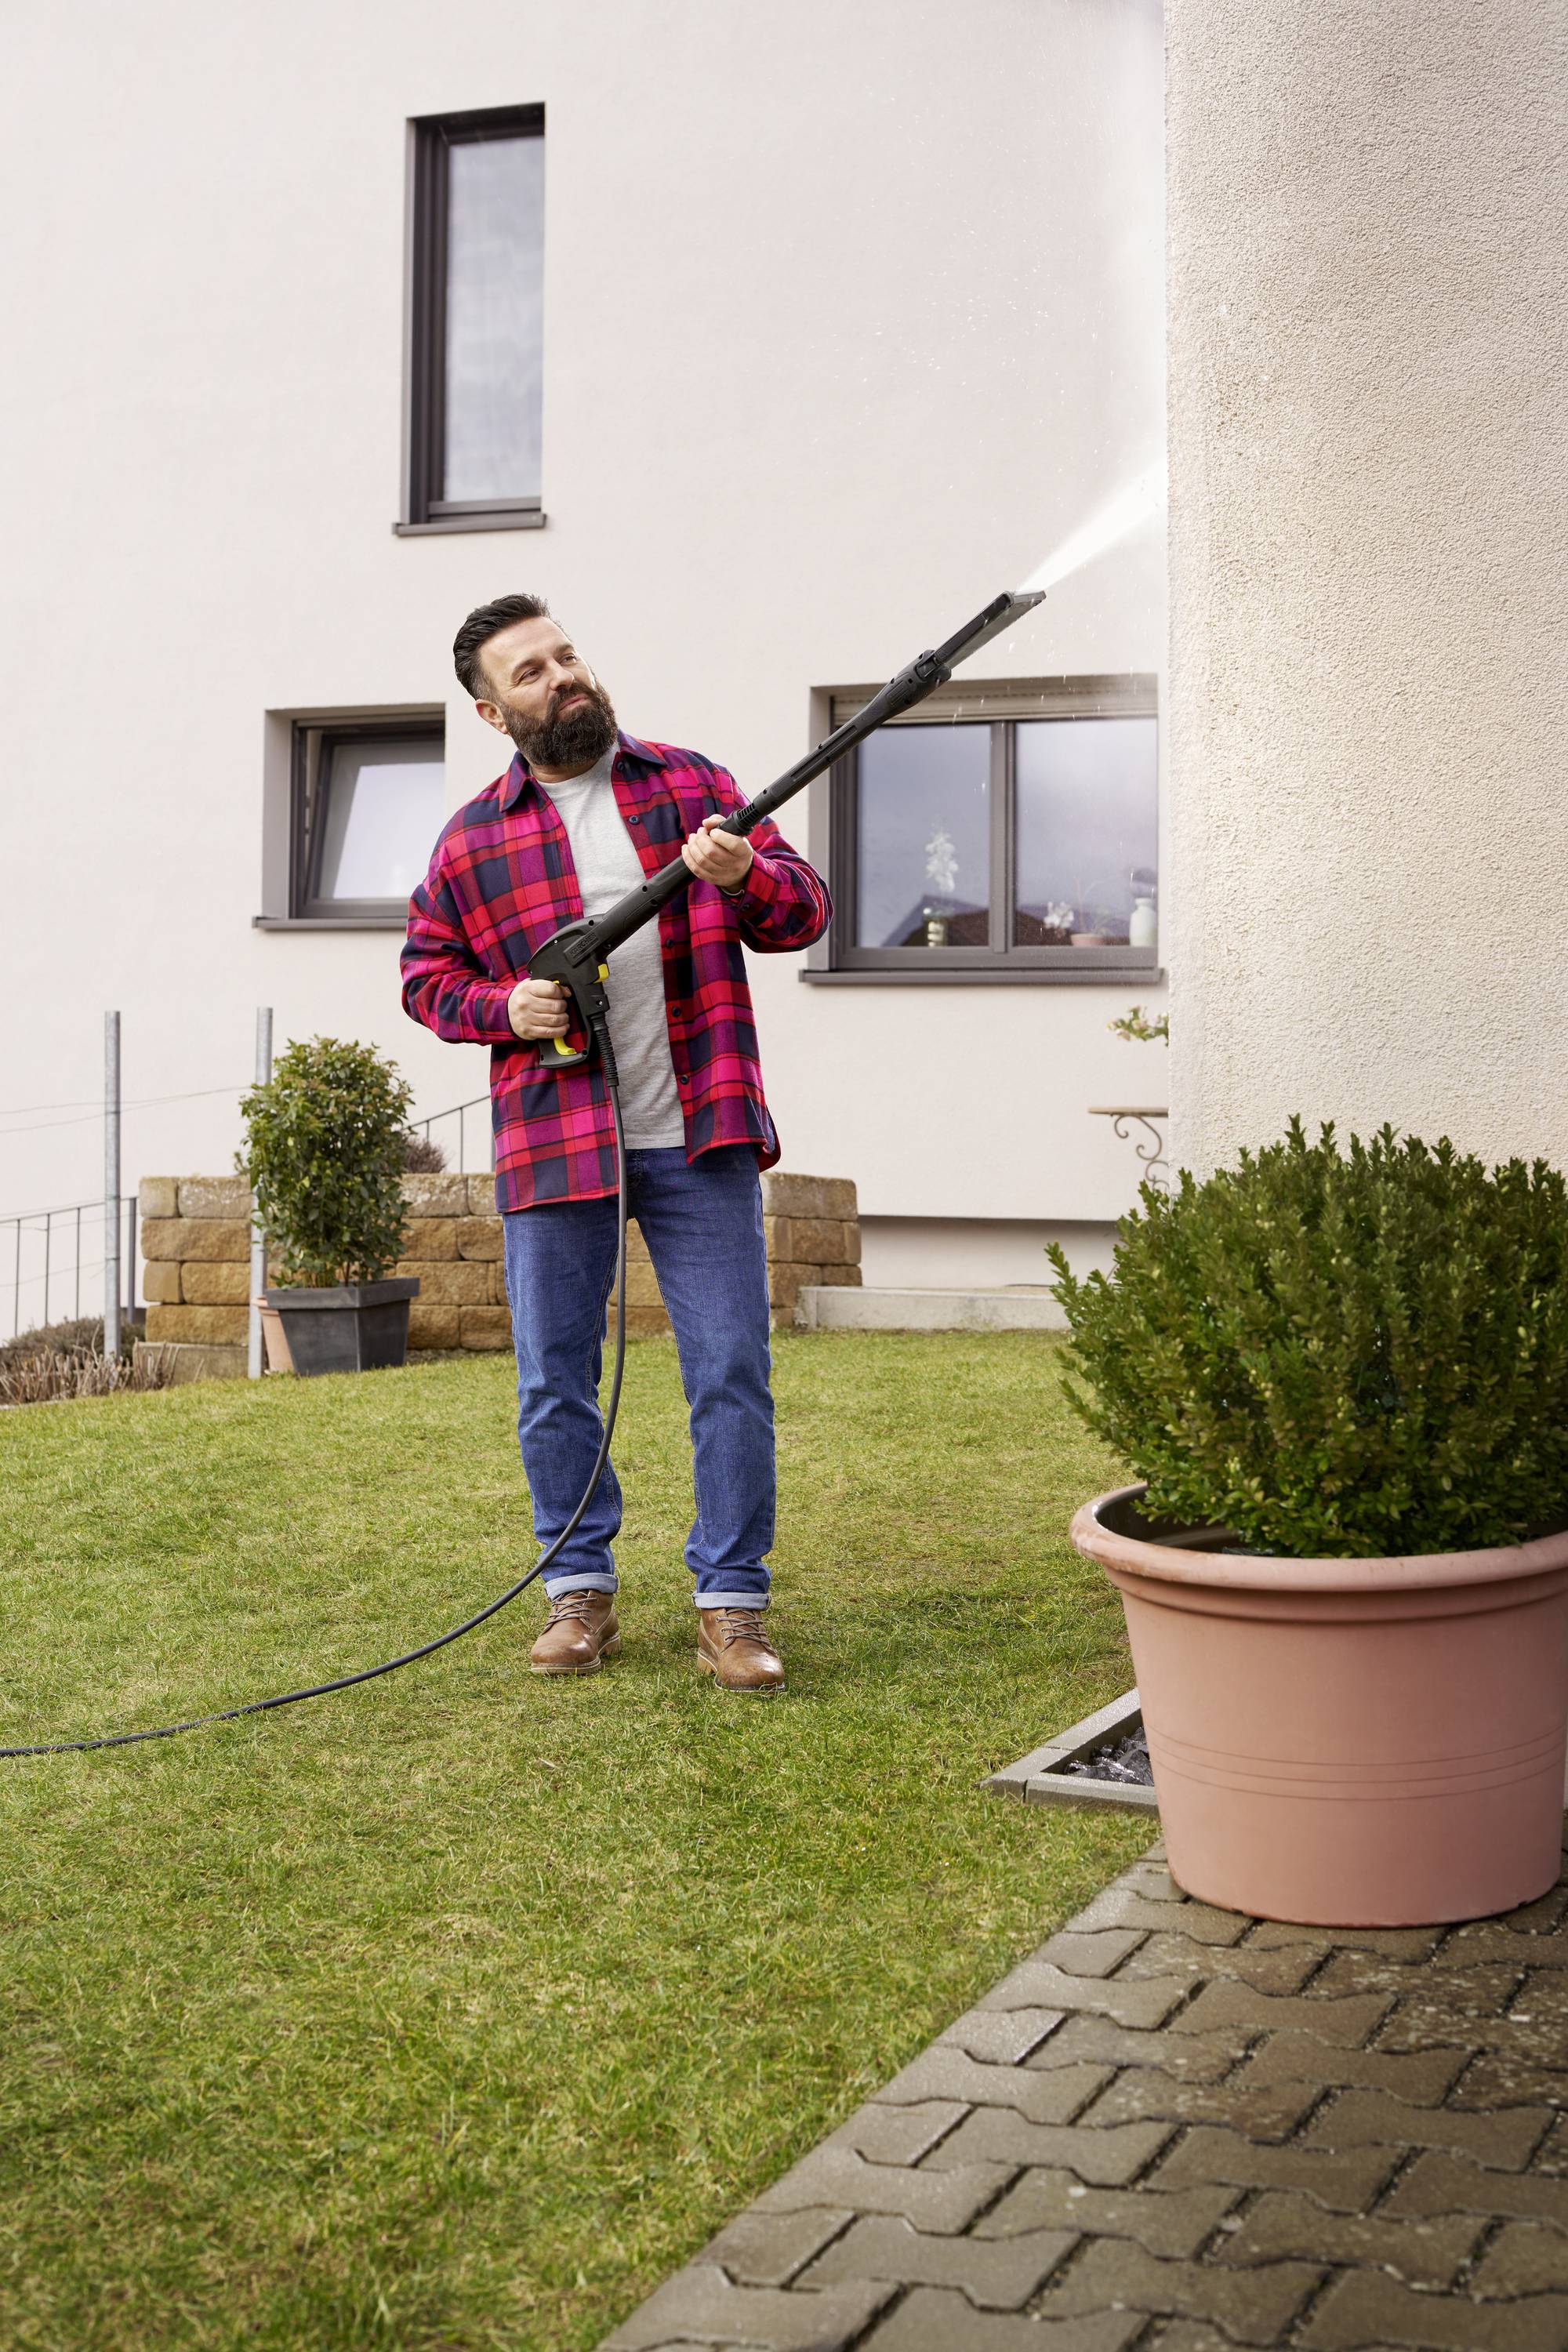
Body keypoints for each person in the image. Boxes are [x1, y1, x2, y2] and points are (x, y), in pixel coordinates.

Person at [401, 594, 831, 1693]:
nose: (564, 678)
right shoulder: (472, 840)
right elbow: (425, 976)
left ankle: (732, 1603)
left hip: (701, 1133)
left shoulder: (693, 786)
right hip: (555, 1142)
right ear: (498, 714)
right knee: (556, 1378)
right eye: (532, 673)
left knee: (731, 1367)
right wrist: (507, 1011)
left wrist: (745, 877)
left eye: (566, 654)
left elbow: (799, 913)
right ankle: (578, 1591)